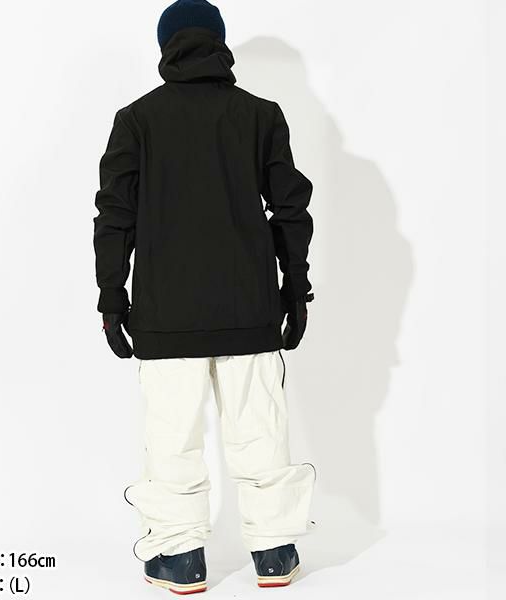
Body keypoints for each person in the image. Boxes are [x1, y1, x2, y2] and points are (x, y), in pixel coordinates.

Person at [93, 0, 316, 592]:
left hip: (166, 315)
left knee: (173, 441)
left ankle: (180, 558)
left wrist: (112, 300)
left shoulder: (137, 120)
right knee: (260, 432)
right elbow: (290, 211)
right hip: (250, 310)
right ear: (219, 42)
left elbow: (114, 217)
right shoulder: (260, 115)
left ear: (165, 45)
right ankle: (274, 552)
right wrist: (295, 291)